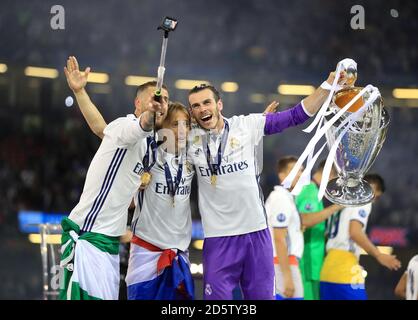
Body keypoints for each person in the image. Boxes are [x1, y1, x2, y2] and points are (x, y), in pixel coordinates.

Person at [186, 69, 347, 300]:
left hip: (256, 236)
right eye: (196, 106)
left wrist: (328, 84)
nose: (202, 109)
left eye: (206, 102)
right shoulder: (187, 141)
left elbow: (297, 115)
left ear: (219, 104)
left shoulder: (247, 126)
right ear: (191, 113)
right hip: (219, 239)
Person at [59, 56, 168, 300]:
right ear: (138, 103)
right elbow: (141, 124)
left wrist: (80, 92)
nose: (161, 104)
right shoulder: (126, 126)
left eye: (165, 101)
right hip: (88, 235)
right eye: (154, 99)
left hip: (109, 243)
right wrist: (149, 115)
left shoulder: (150, 146)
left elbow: (99, 128)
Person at [125, 102, 195, 300]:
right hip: (145, 254)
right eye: (175, 124)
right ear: (162, 127)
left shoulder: (193, 159)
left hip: (179, 255)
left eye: (186, 124)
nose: (181, 130)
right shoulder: (147, 156)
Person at [265, 156, 342, 300]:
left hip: (291, 262)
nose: (301, 174)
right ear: (282, 176)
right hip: (290, 263)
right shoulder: (284, 198)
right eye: (296, 171)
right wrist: (287, 276)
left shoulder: (289, 198)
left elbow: (301, 223)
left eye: (301, 170)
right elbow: (279, 238)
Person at [320, 174, 402, 300]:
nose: (374, 201)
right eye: (377, 197)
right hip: (345, 268)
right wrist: (378, 255)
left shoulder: (342, 200)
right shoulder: (362, 199)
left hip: (327, 268)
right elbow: (355, 232)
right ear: (372, 188)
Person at [295, 160, 337, 300]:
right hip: (308, 261)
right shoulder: (310, 192)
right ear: (330, 174)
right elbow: (305, 220)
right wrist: (337, 207)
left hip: (313, 262)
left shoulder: (314, 192)